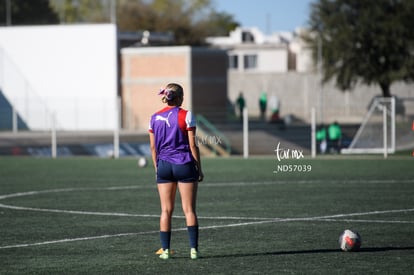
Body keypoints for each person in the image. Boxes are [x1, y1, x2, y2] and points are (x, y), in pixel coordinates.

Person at [148, 83, 204, 260]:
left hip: (163, 165)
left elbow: (152, 147)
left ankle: (165, 251)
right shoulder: (186, 115)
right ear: (180, 97)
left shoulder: (154, 117)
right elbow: (192, 145)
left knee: (165, 210)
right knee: (189, 210)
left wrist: (158, 168)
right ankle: (193, 250)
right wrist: (199, 168)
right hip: (184, 164)